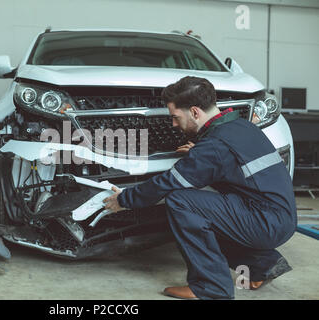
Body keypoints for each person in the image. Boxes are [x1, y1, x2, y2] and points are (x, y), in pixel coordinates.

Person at [103, 76, 297, 300]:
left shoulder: (214, 147)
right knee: (207, 212)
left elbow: (169, 182)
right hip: (280, 217)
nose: (174, 124)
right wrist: (200, 151)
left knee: (181, 202)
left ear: (195, 112)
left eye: (175, 117)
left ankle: (210, 287)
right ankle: (264, 265)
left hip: (265, 223)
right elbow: (232, 162)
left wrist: (124, 199)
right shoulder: (240, 126)